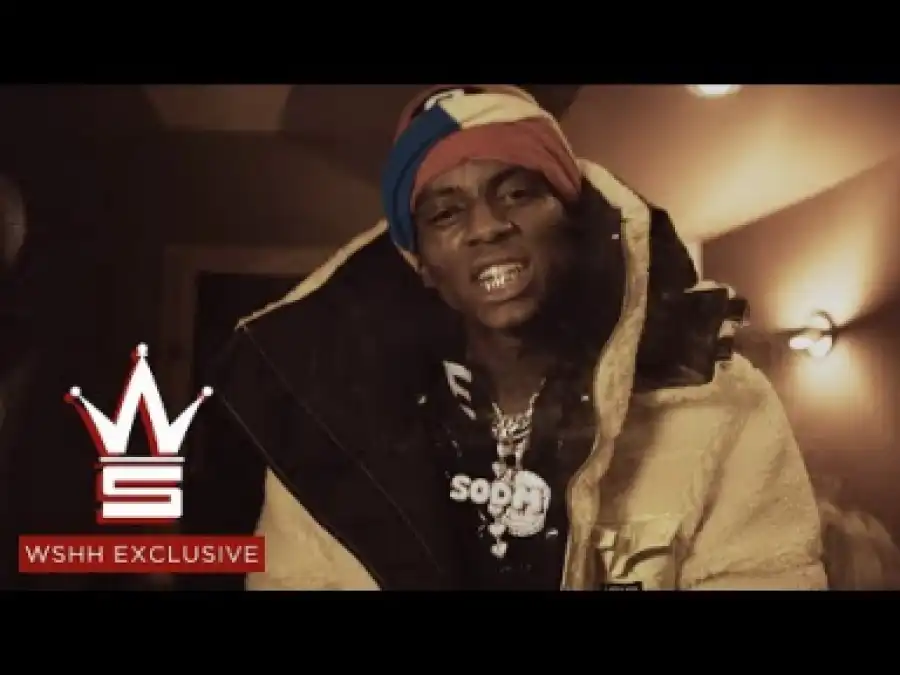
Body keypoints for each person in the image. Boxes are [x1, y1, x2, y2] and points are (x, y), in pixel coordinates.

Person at [208, 85, 828, 590]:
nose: (487, 227)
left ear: (572, 220)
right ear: (421, 262)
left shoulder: (719, 404)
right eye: (446, 213)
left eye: (518, 193)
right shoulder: (334, 426)